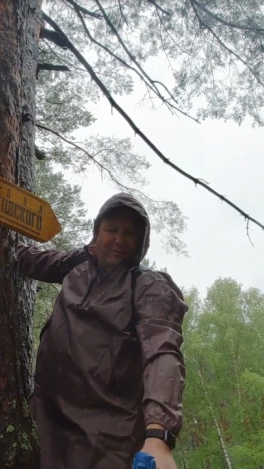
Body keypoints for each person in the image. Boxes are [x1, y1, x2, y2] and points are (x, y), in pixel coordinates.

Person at [17, 193, 187, 469]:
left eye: (130, 233)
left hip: (109, 438)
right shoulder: (76, 266)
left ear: (141, 241)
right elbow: (24, 259)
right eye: (111, 230)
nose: (119, 239)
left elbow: (163, 353)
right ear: (97, 233)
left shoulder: (147, 286)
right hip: (47, 420)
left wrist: (159, 434)